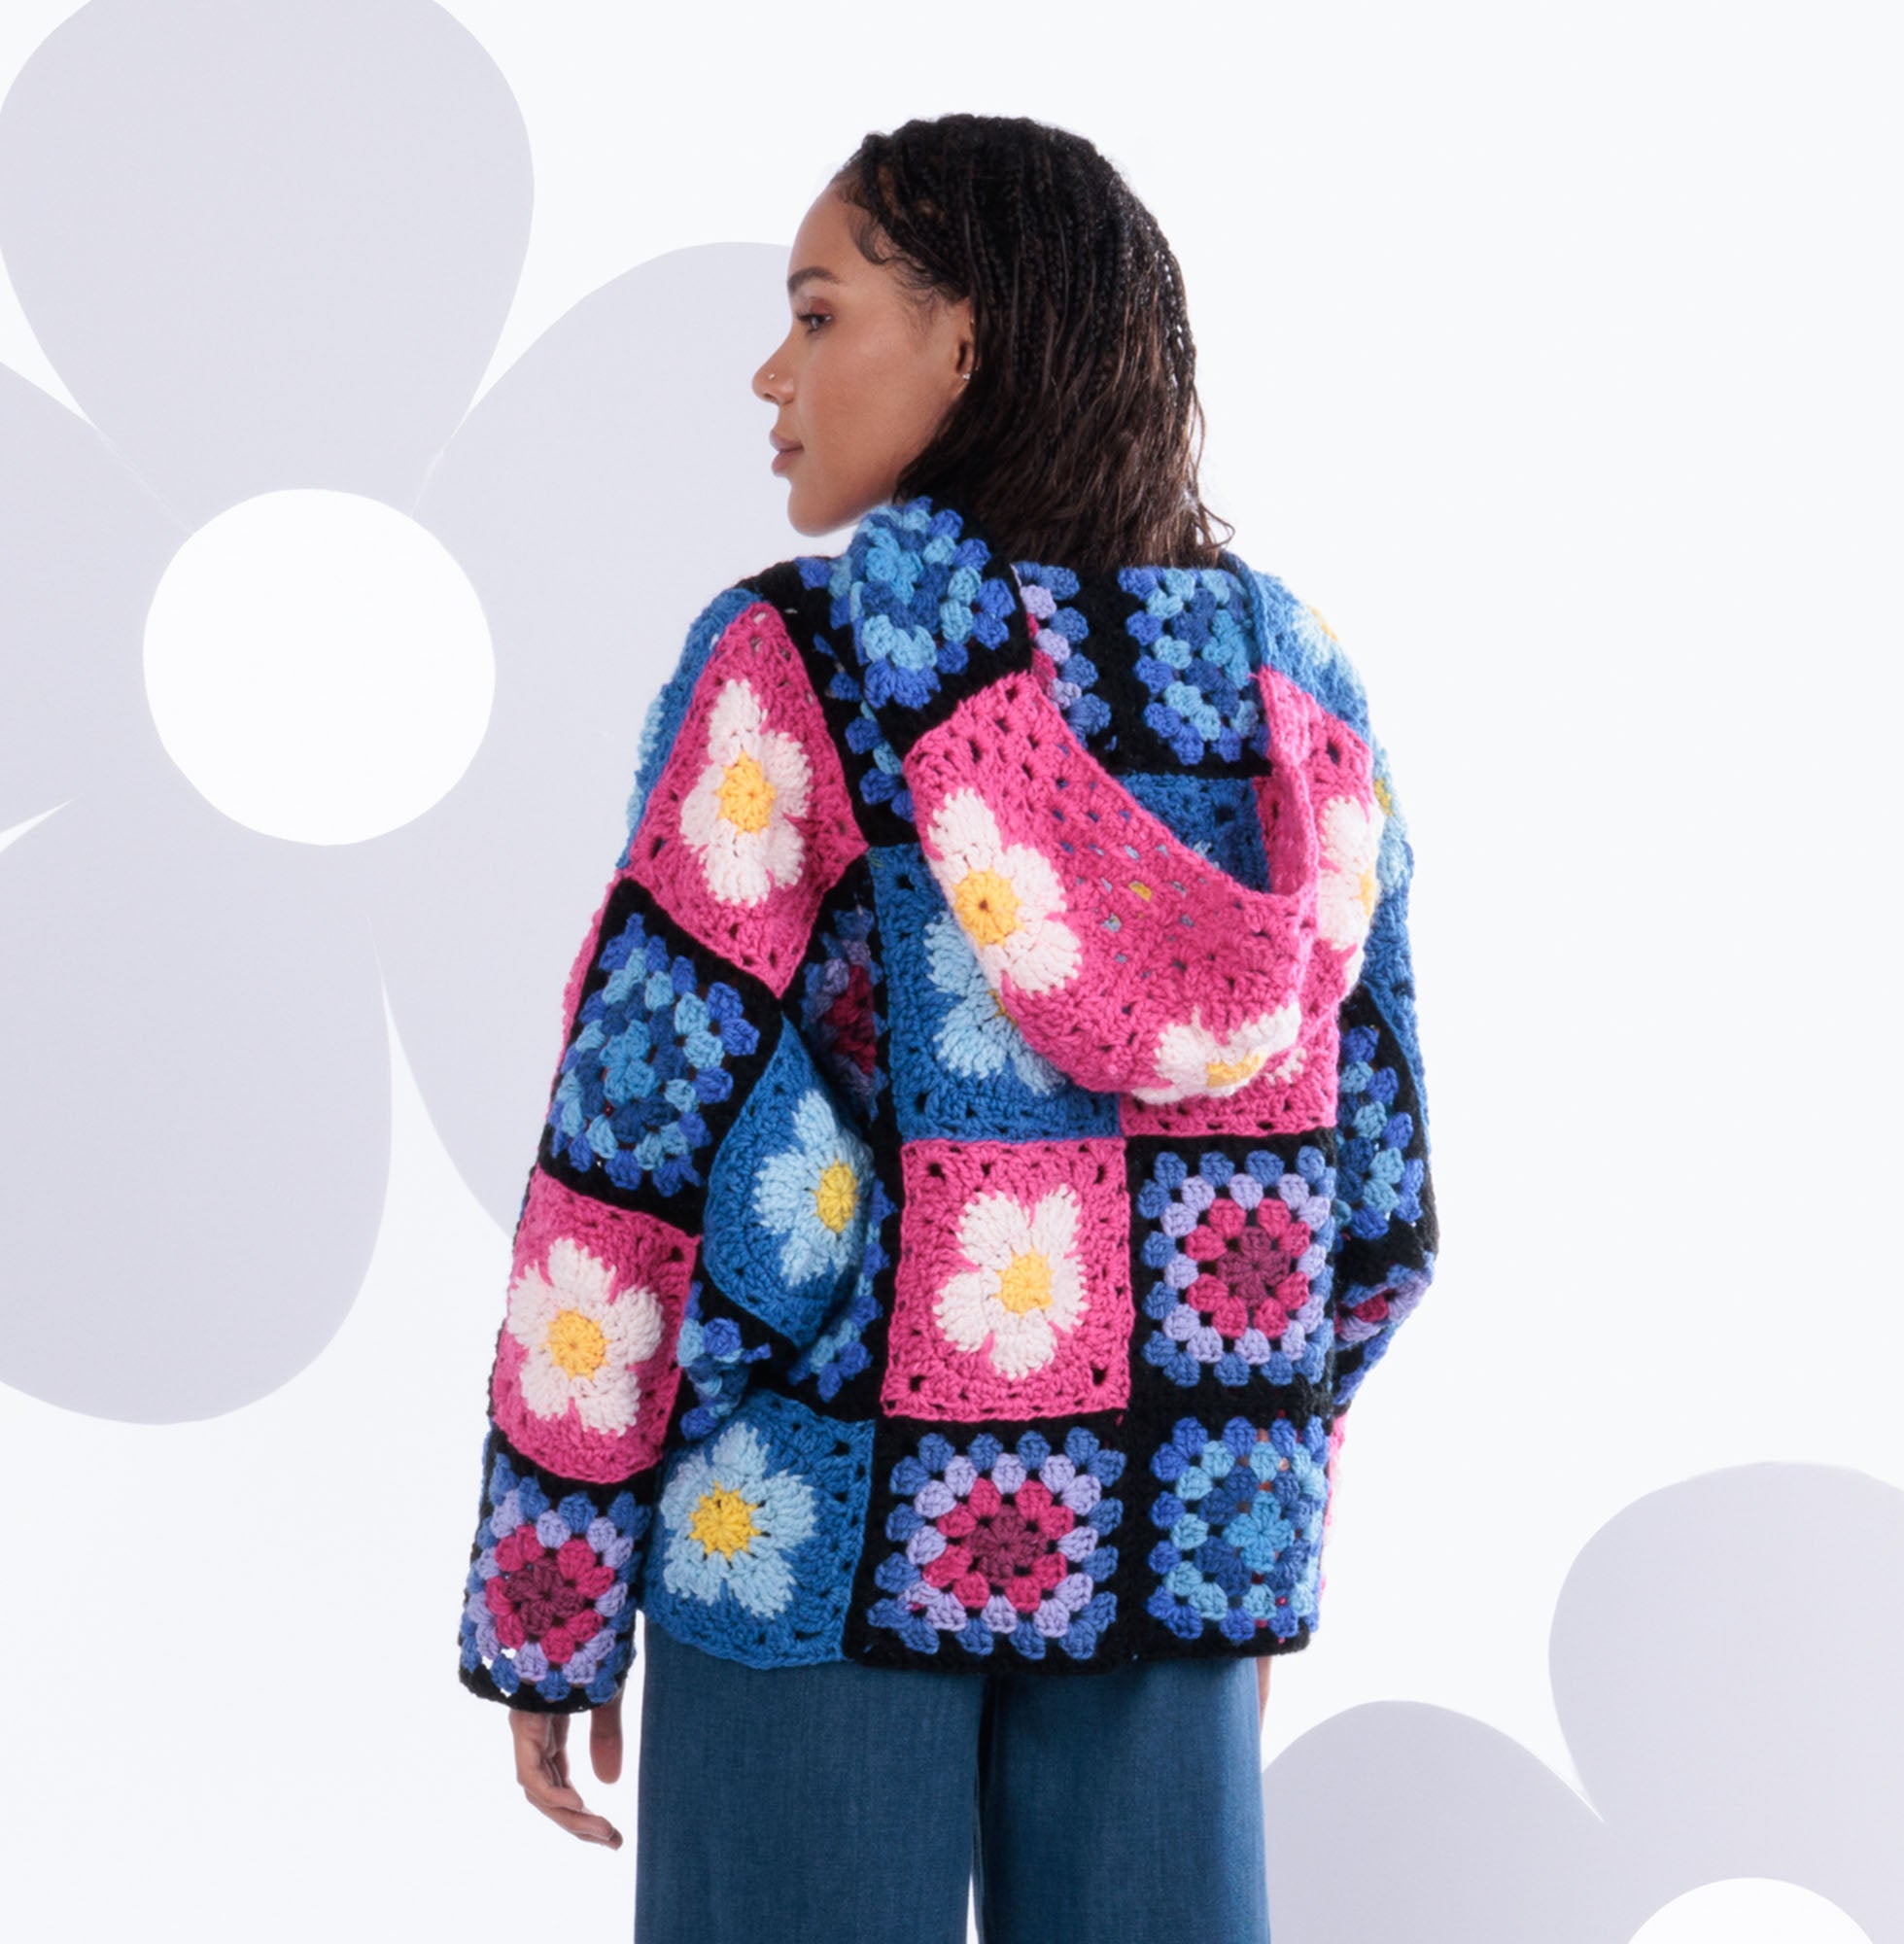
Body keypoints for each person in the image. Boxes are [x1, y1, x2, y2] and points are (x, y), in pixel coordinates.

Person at [453, 113, 1438, 1944]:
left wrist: (553, 1581)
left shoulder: (799, 669)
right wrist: (1229, 1490)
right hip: (1173, 1551)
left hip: (808, 1538)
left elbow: (638, 1153)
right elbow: (1373, 1207)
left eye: (820, 313)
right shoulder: (1292, 687)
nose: (774, 372)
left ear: (966, 340)